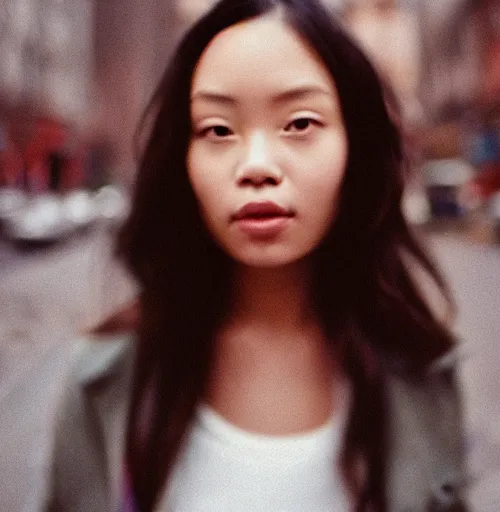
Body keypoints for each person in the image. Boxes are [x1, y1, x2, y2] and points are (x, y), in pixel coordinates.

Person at [42, 0, 468, 510]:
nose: (257, 165)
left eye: (299, 123)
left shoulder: (422, 372)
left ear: (355, 146)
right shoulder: (103, 381)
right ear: (184, 160)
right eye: (218, 130)